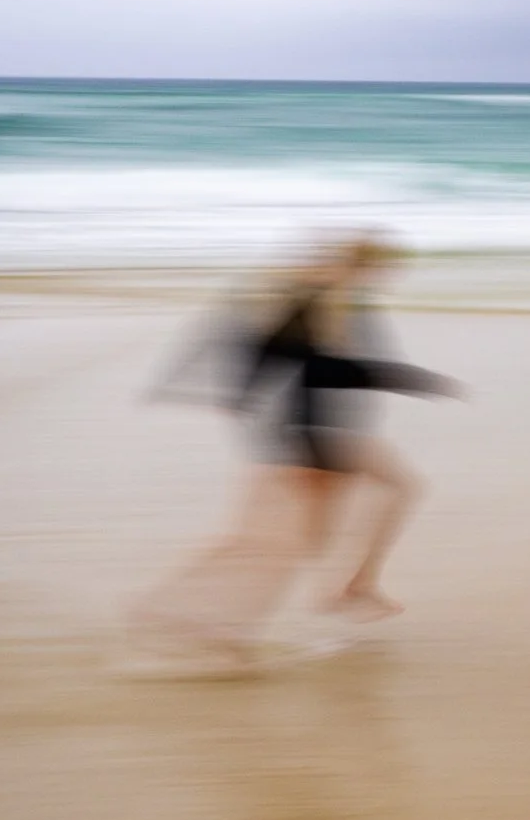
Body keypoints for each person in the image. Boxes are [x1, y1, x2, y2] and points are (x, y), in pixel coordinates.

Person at [130, 232, 459, 664]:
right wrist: (413, 379)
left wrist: (240, 397)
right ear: (367, 265)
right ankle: (183, 610)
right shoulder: (321, 300)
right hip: (315, 436)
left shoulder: (320, 298)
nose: (387, 275)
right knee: (283, 539)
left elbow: (268, 357)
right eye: (382, 267)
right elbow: (323, 369)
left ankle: (219, 617)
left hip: (315, 434)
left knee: (289, 538)